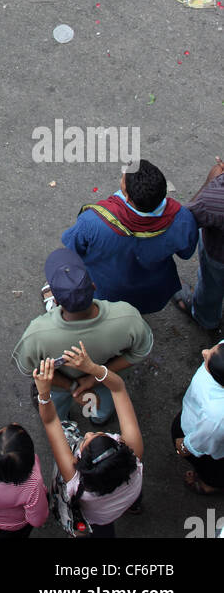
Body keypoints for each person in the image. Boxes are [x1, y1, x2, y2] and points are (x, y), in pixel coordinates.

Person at [11, 247, 153, 426]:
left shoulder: (36, 334)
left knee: (57, 407)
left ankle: (62, 423)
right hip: (104, 378)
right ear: (93, 287)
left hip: (61, 384)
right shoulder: (127, 316)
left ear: (56, 300)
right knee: (103, 402)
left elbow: (33, 371)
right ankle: (98, 417)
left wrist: (73, 387)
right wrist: (93, 379)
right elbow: (139, 352)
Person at [61, 159, 199, 313]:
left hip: (108, 292)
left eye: (123, 178)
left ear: (126, 197)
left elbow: (73, 249)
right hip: (154, 292)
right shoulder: (183, 218)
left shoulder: (92, 222)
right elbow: (186, 253)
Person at [34, 344, 143, 537]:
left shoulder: (75, 482)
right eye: (97, 435)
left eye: (86, 442)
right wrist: (93, 368)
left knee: (99, 530)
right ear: (121, 449)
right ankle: (134, 506)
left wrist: (43, 393)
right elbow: (118, 387)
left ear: (79, 464)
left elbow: (51, 421)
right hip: (123, 500)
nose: (88, 434)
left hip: (97, 517)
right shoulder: (134, 454)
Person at [176, 155, 224, 329]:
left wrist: (210, 182)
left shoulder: (217, 196)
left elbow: (186, 219)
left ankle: (206, 318)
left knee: (212, 285)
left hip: (219, 257)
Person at [172, 342, 224, 493]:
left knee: (213, 471)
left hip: (210, 445)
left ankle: (209, 485)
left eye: (208, 359)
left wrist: (184, 447)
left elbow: (204, 440)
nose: (205, 352)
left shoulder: (216, 416)